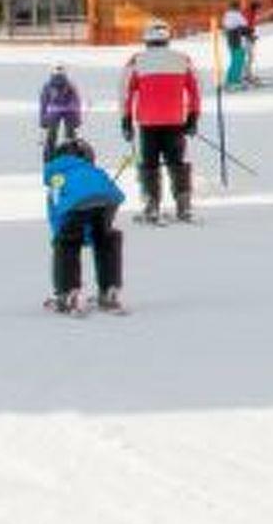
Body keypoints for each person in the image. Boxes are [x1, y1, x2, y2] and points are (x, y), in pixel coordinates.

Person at [121, 19, 200, 223]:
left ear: (146, 39)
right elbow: (195, 90)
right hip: (175, 120)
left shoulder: (136, 61)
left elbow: (125, 92)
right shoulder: (183, 59)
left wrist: (126, 118)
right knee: (177, 162)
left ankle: (151, 206)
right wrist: (193, 116)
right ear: (167, 39)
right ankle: (184, 206)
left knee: (149, 163)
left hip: (148, 122)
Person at [43, 128, 125, 314]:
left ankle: (67, 293)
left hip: (77, 204)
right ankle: (109, 289)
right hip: (108, 201)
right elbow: (109, 198)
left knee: (66, 243)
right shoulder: (93, 170)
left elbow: (57, 213)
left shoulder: (57, 176)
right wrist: (93, 234)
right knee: (105, 240)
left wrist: (64, 237)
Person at [38, 65, 84, 161]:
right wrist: (77, 120)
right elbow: (77, 102)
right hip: (66, 110)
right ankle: (69, 151)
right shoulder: (69, 85)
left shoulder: (50, 86)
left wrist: (43, 122)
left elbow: (44, 104)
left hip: (61, 110)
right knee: (66, 133)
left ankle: (52, 151)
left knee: (56, 133)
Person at [221, 0, 250, 89]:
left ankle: (230, 79)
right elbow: (244, 25)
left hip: (231, 40)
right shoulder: (236, 15)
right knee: (239, 60)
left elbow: (226, 27)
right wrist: (248, 32)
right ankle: (234, 81)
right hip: (238, 40)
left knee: (234, 60)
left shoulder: (226, 16)